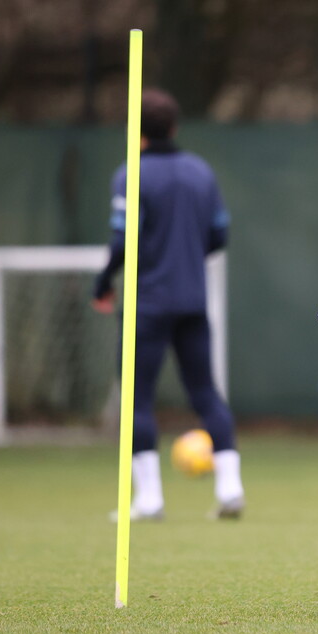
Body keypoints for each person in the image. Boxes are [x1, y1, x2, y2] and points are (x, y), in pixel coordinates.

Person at [93, 88, 245, 521]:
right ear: (174, 126)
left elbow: (123, 238)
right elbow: (218, 235)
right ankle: (231, 488)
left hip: (147, 303)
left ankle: (150, 500)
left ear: (134, 131)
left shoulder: (131, 173)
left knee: (136, 399)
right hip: (193, 299)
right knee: (205, 392)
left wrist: (103, 281)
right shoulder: (200, 172)